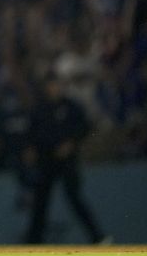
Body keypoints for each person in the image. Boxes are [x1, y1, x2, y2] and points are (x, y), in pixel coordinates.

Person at [24, 77, 109, 244]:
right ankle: (34, 241)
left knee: (74, 197)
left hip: (67, 160)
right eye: (51, 85)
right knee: (41, 201)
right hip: (46, 159)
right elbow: (31, 131)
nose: (54, 89)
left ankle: (97, 237)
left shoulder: (71, 107)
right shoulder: (40, 108)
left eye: (56, 85)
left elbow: (84, 126)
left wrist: (72, 143)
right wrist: (31, 148)